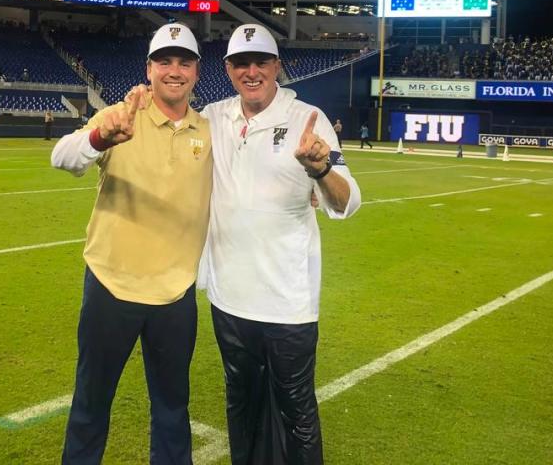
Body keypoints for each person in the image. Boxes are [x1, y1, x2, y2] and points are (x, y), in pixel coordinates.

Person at [50, 23, 212, 464]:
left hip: (175, 295)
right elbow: (61, 156)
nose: (174, 71)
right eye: (165, 61)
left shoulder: (209, 131)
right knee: (90, 406)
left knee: (173, 412)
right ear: (149, 68)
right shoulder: (121, 115)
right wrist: (100, 137)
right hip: (110, 286)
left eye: (184, 62)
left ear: (197, 72)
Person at [200, 24, 361, 465]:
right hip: (229, 297)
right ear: (229, 70)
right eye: (241, 64)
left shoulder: (308, 119)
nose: (251, 72)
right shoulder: (213, 116)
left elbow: (348, 203)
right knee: (240, 402)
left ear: (277, 67)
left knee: (296, 410)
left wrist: (321, 171)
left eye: (261, 62)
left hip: (287, 301)